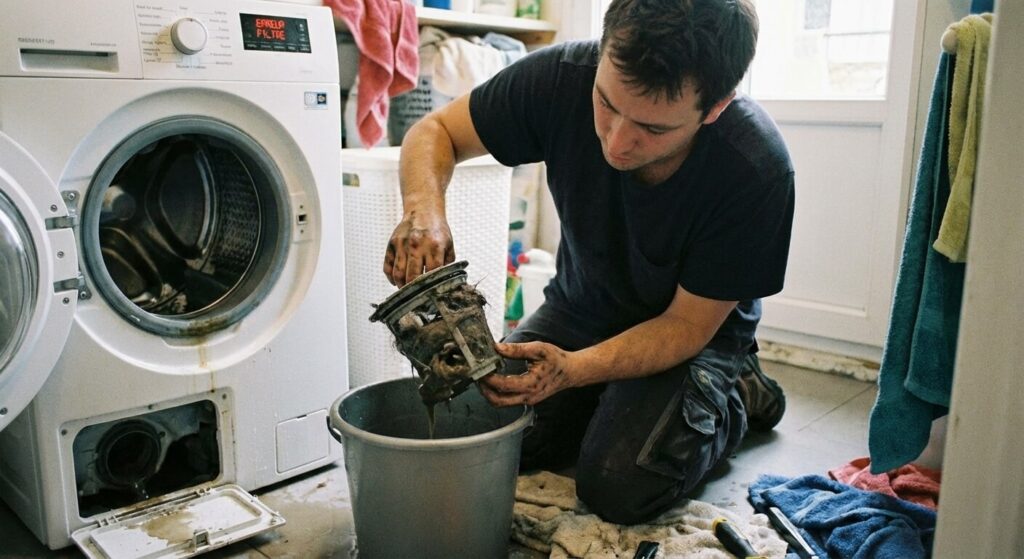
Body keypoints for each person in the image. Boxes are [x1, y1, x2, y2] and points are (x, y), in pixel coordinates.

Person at [383, 0, 794, 524]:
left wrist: (574, 370)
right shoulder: (560, 77)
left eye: (653, 129)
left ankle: (735, 392)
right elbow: (435, 131)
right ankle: (607, 401)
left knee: (619, 483)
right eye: (606, 103)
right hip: (581, 309)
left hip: (692, 336)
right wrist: (424, 212)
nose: (616, 141)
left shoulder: (755, 167)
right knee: (477, 429)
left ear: (714, 108)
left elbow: (686, 326)